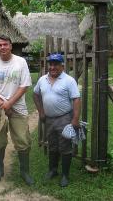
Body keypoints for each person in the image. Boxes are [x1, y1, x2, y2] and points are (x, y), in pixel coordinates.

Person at [0, 34, 34, 186]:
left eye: (5, 44)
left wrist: (10, 103)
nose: (2, 47)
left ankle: (24, 172)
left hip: (17, 107)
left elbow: (24, 85)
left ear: (11, 46)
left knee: (22, 140)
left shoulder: (21, 62)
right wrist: (2, 104)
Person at [33, 53, 81, 187]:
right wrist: (41, 112)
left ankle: (65, 175)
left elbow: (76, 99)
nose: (52, 67)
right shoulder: (42, 79)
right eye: (51, 64)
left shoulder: (69, 80)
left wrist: (75, 119)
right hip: (49, 119)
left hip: (64, 118)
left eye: (56, 64)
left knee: (65, 146)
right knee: (52, 145)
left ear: (62, 66)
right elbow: (35, 95)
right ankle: (53, 170)